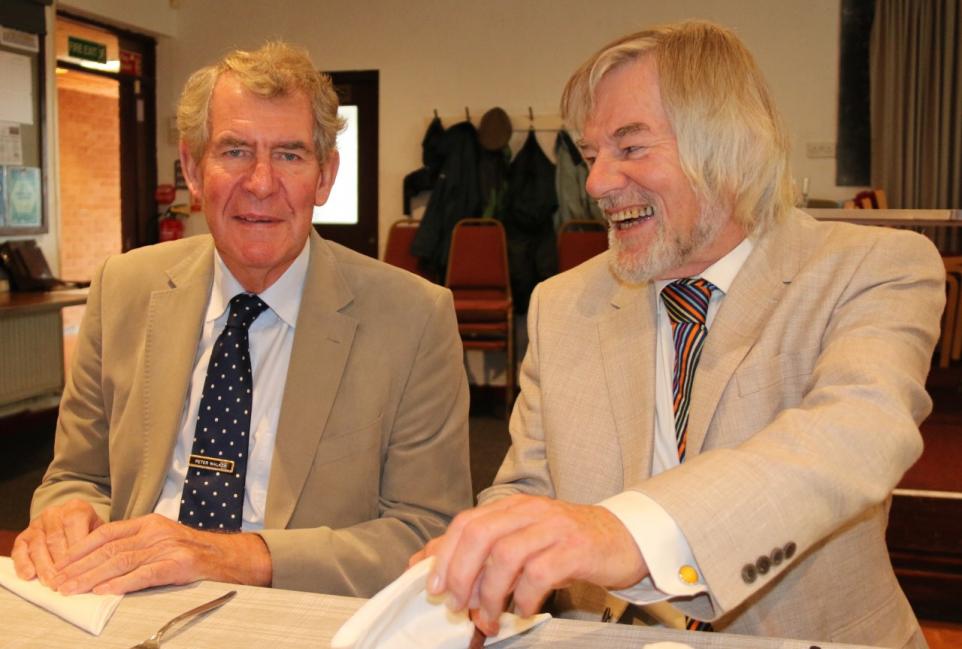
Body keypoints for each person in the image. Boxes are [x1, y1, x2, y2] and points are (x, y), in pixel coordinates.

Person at [418, 21, 943, 649]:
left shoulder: (872, 268)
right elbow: (532, 484)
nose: (595, 183)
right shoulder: (562, 303)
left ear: (726, 146)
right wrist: (487, 546)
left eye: (631, 148)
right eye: (591, 155)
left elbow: (856, 434)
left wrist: (628, 532)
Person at [12, 41, 472, 598]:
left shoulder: (414, 318)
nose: (259, 183)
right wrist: (67, 518)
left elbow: (427, 532)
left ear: (324, 177)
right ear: (192, 169)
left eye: (289, 155)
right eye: (233, 151)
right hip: (124, 602)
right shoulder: (123, 289)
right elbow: (75, 477)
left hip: (296, 613)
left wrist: (235, 556)